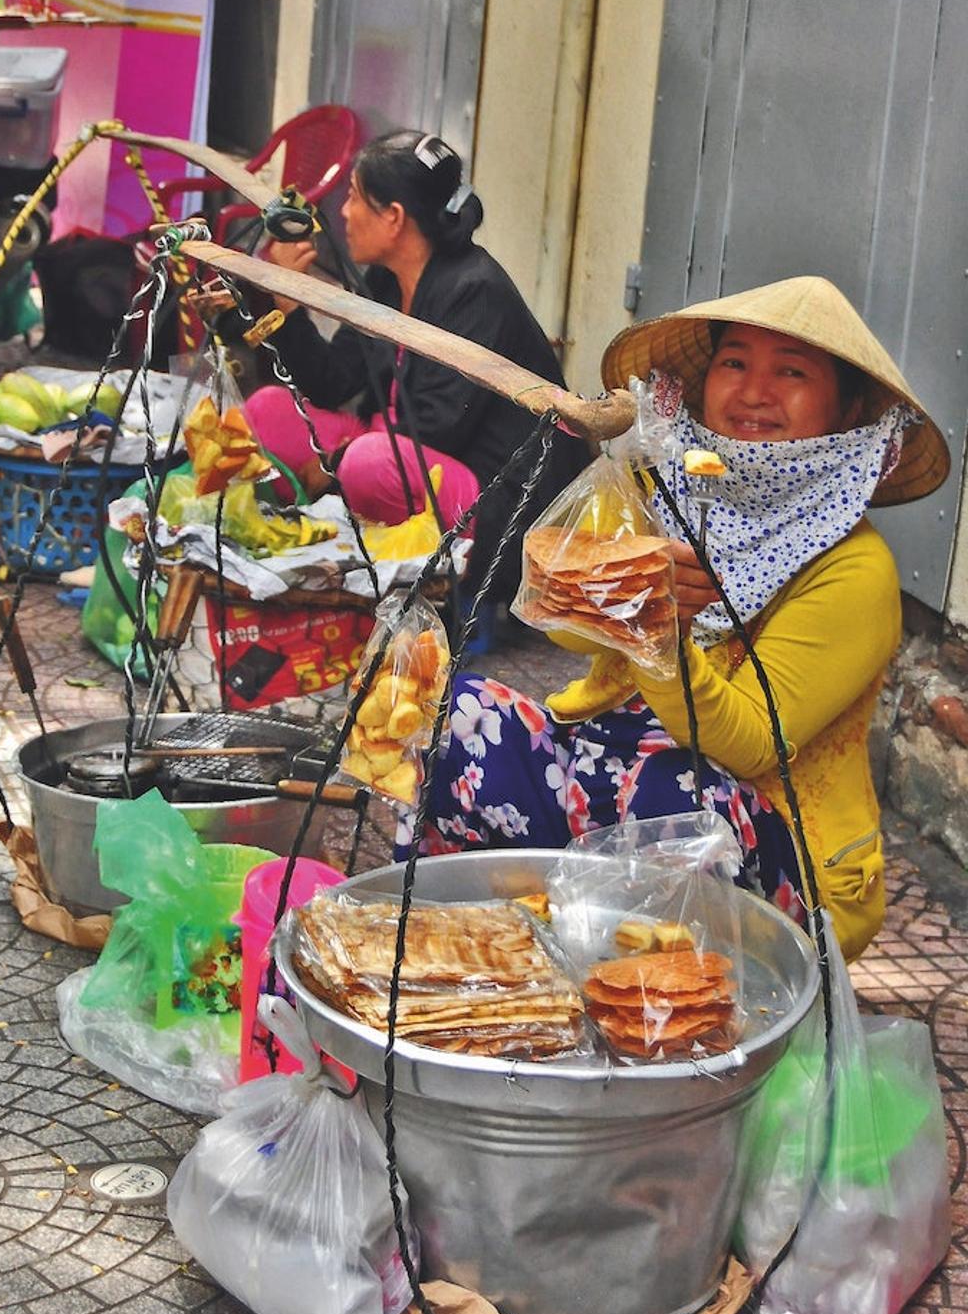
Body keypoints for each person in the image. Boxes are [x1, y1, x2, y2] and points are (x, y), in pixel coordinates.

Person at [402, 276, 950, 960]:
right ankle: (485, 955)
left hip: (769, 843)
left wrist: (656, 626)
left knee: (662, 789)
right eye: (735, 362)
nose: (754, 391)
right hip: (615, 783)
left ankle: (638, 998)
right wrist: (605, 568)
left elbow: (748, 742)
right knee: (458, 719)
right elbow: (562, 625)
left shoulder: (854, 570)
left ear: (848, 408)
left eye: (792, 372)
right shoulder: (664, 482)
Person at [246, 129, 591, 612]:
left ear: (393, 217)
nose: (343, 213)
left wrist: (334, 469)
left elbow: (437, 427)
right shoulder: (386, 279)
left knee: (365, 462)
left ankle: (424, 561)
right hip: (399, 455)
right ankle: (362, 518)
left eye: (354, 198)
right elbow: (332, 382)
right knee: (267, 413)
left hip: (495, 502)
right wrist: (288, 301)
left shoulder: (475, 290)